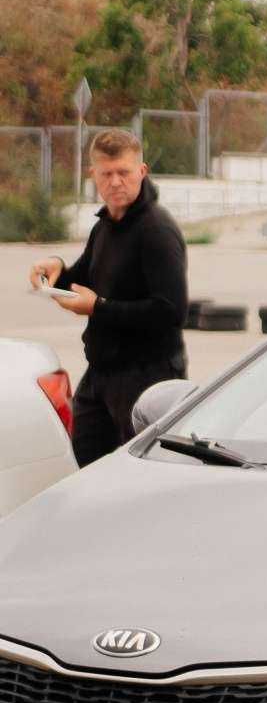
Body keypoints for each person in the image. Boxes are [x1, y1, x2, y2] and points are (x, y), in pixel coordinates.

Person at [27, 128, 189, 467]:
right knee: (87, 463)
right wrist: (56, 269)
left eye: (124, 173)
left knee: (142, 475)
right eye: (107, 173)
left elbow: (170, 311)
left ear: (141, 172)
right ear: (93, 176)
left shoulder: (156, 231)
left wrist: (98, 309)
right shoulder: (104, 227)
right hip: (102, 373)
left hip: (148, 377)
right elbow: (83, 278)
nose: (116, 182)